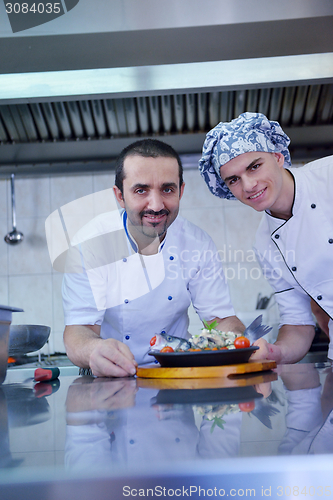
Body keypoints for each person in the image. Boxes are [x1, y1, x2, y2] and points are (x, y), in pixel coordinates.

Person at [62, 139, 245, 377]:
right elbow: (79, 330)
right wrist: (93, 350)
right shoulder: (91, 244)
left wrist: (233, 335)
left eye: (168, 189)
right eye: (141, 190)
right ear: (120, 196)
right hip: (107, 380)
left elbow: (220, 320)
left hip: (175, 377)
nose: (156, 205)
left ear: (181, 191)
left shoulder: (197, 244)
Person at [199, 112, 333, 364]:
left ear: (278, 157)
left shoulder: (329, 177)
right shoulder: (264, 243)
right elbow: (298, 323)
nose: (248, 185)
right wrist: (275, 352)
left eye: (254, 166)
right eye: (234, 180)